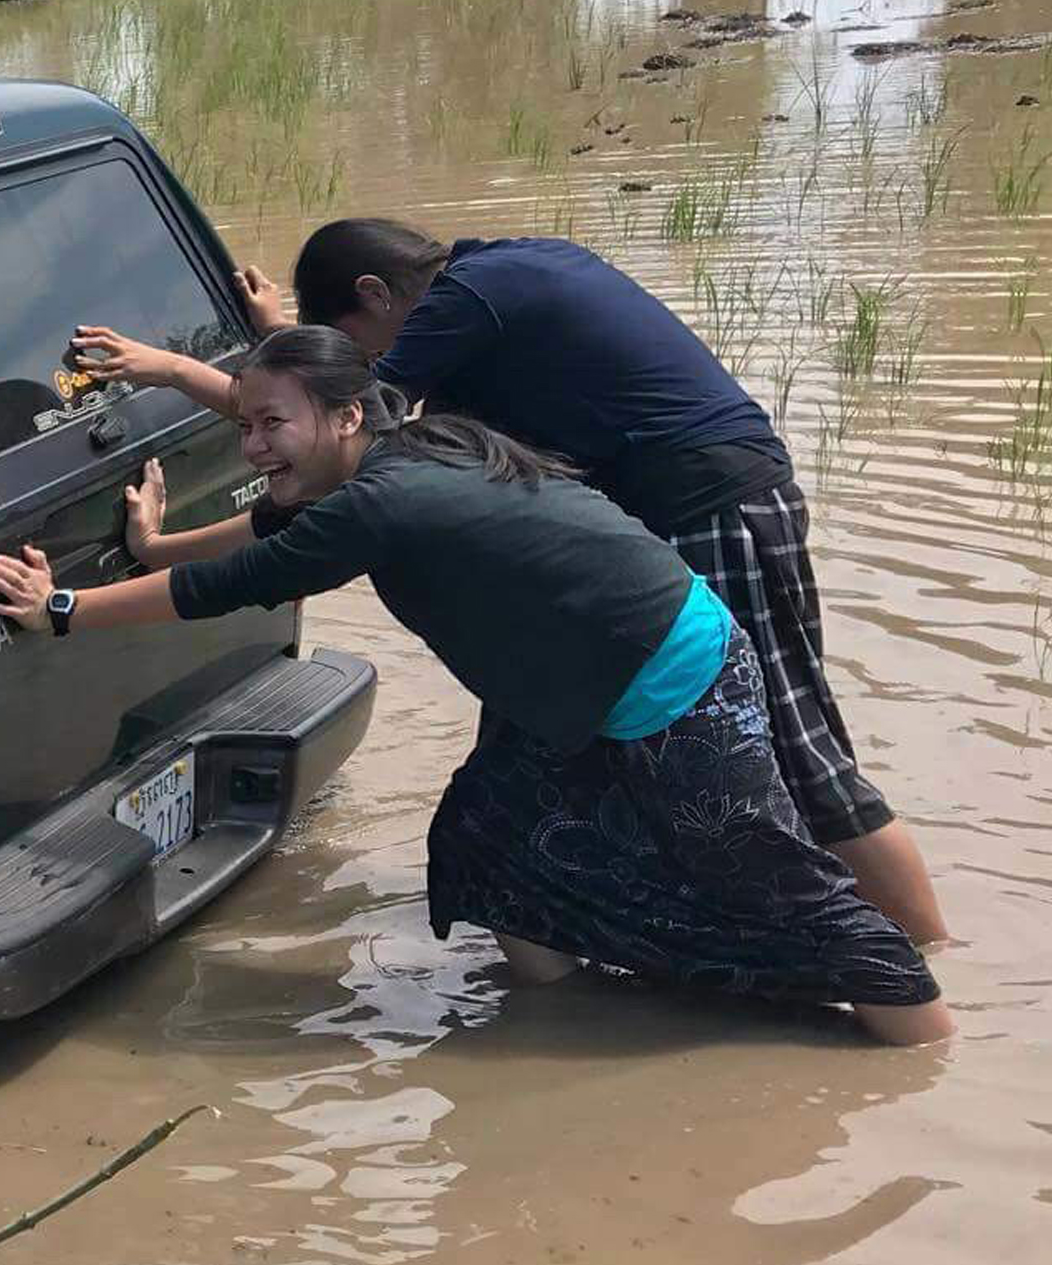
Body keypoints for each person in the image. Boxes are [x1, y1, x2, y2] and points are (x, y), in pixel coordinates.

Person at [0, 327, 950, 1047]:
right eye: (247, 426)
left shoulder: (386, 499)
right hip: (583, 677)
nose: (253, 448)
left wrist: (63, 608)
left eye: (271, 424)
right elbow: (272, 535)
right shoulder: (404, 453)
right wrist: (148, 548)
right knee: (488, 837)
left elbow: (229, 585)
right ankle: (562, 1007)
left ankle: (924, 1040)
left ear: (347, 415)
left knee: (770, 880)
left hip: (669, 674)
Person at [69, 221, 947, 945]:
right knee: (519, 791)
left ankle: (919, 953)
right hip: (622, 562)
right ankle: (580, 960)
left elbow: (327, 433)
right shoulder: (503, 280)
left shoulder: (465, 302)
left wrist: (182, 373)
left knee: (799, 751)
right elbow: (320, 453)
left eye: (363, 346)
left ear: (378, 297)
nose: (375, 365)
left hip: (709, 509)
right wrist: (175, 533)